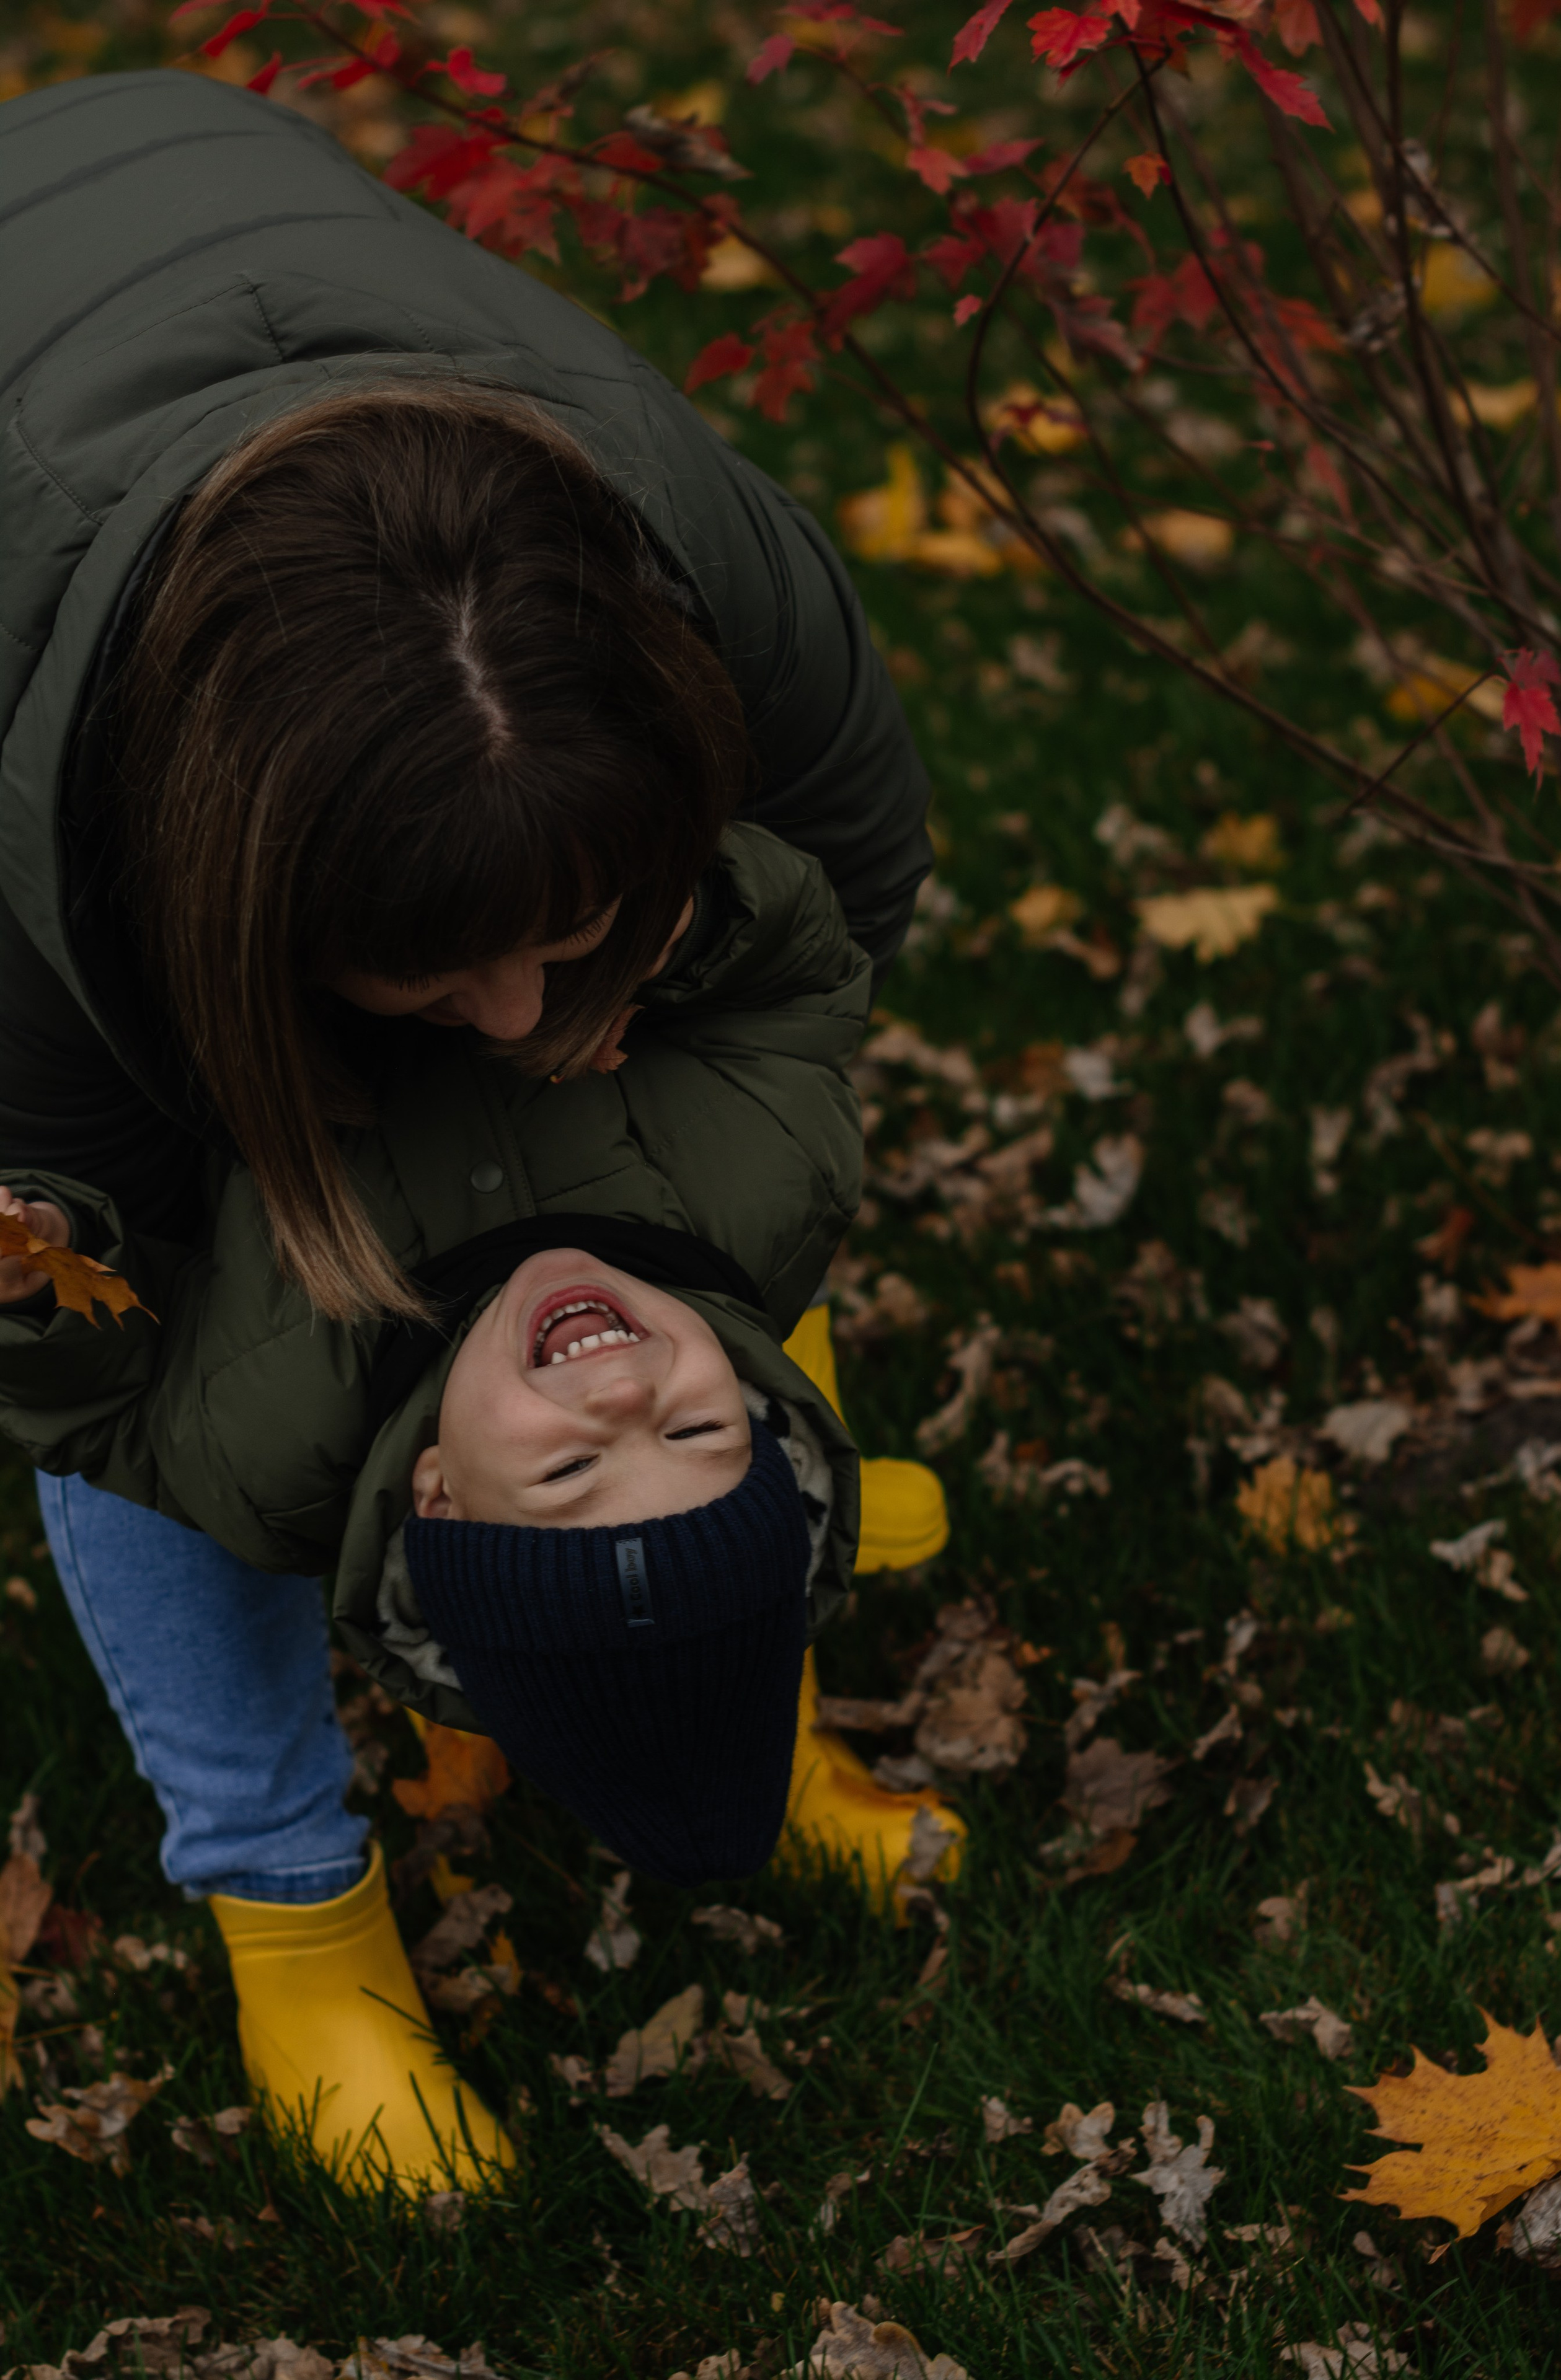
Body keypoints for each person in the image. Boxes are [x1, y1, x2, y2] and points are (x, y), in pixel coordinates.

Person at [0, 66, 950, 2184]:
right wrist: (79, 1300)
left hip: (249, 217)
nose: (529, 1024)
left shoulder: (703, 573)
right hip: (35, 458)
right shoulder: (41, 921)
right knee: (154, 1452)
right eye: (443, 982)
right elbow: (74, 1382)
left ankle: (754, 1677)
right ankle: (286, 1903)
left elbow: (849, 899)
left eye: (579, 934)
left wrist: (665, 967)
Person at [0, 822, 963, 2190]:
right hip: (498, 860)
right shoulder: (757, 1189)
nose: (623, 1405)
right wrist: (664, 932)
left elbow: (98, 1413)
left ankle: (287, 1913)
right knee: (745, 1298)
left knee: (166, 1496)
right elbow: (805, 971)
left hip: (196, 1047)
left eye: (576, 1470)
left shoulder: (268, 1425)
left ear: (436, 1497)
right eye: (685, 1428)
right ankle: (783, 1610)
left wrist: (49, 1288)